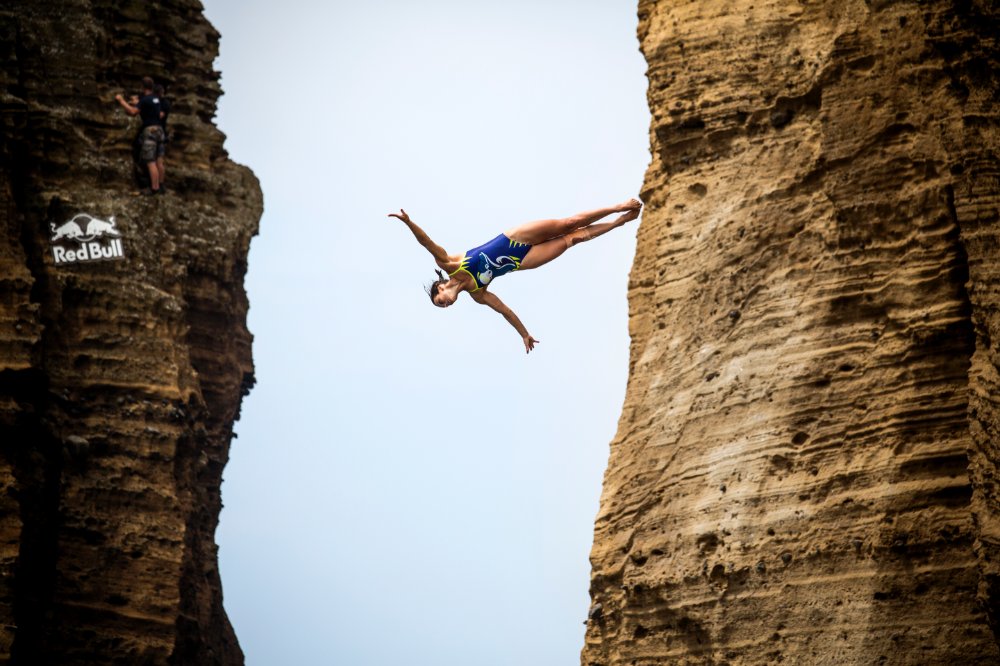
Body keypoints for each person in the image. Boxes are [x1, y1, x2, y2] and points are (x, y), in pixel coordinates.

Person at [388, 199, 642, 353]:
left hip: (515, 238)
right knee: (572, 239)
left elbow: (427, 242)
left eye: (440, 300)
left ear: (441, 287)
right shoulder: (478, 293)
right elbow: (505, 311)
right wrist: (524, 334)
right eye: (443, 307)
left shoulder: (451, 264)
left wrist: (408, 222)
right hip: (521, 261)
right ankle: (620, 221)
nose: (445, 304)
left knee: (568, 224)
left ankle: (617, 206)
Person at [114, 77, 164, 195]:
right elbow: (155, 110)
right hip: (160, 130)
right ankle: (158, 187)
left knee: (150, 161)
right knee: (157, 160)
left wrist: (121, 101)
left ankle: (154, 188)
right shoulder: (156, 99)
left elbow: (132, 112)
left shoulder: (145, 100)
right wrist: (137, 102)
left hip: (150, 130)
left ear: (142, 87)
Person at [153, 83, 171, 188]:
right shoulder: (164, 102)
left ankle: (157, 185)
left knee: (154, 161)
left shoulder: (163, 103)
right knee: (158, 161)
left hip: (158, 133)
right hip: (162, 133)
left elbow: (161, 115)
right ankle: (160, 184)